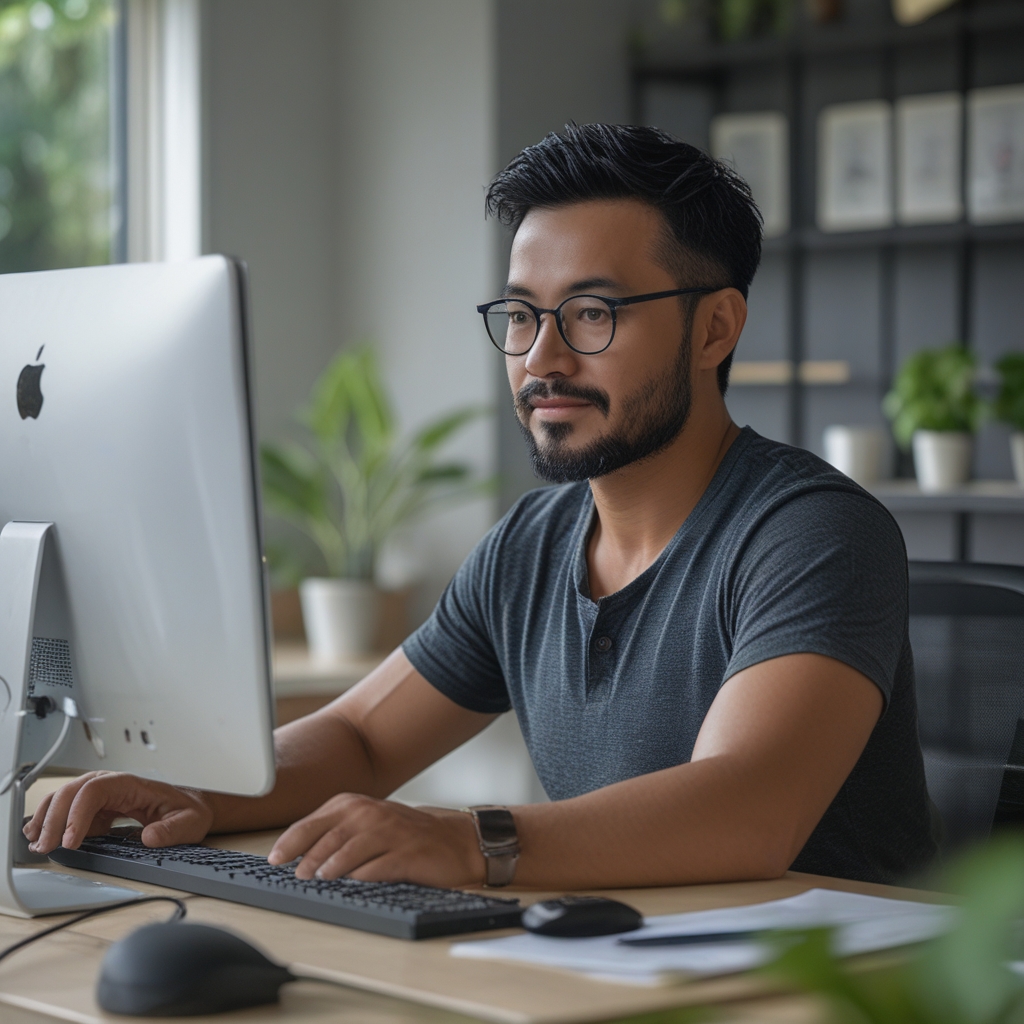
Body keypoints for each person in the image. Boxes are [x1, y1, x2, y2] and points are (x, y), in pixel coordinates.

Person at [25, 124, 936, 889]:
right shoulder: (534, 545)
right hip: (617, 967)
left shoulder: (813, 533)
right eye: (520, 314)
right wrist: (199, 793)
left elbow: (748, 807)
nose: (541, 358)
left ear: (715, 328)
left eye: (591, 313)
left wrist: (472, 841)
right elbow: (361, 737)